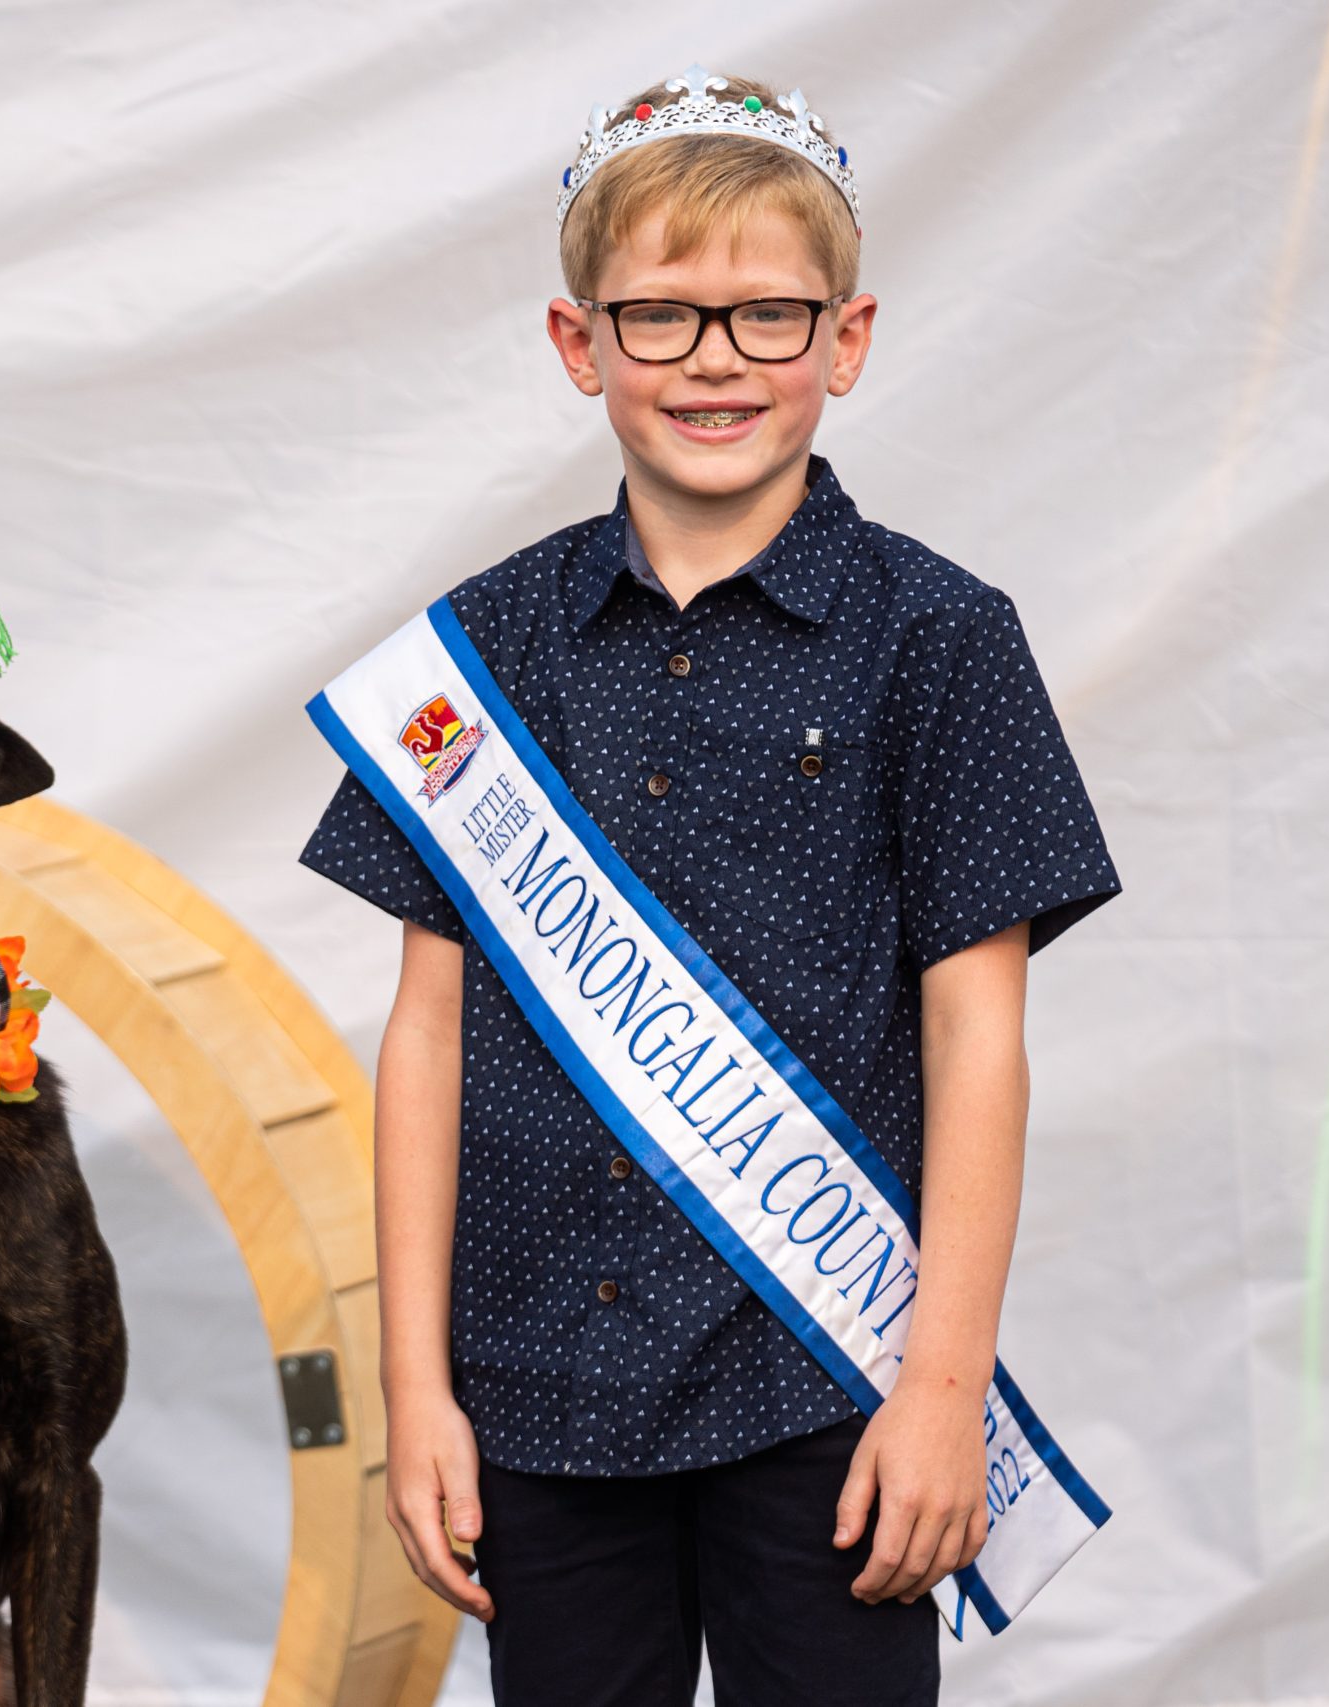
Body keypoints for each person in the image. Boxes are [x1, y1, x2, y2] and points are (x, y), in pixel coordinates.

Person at [297, 66, 1123, 1706]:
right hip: (531, 1386)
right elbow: (427, 1038)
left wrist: (943, 1390)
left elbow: (980, 1044)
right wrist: (417, 1392)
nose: (716, 362)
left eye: (766, 316)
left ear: (850, 338)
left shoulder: (942, 640)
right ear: (578, 344)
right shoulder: (478, 657)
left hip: (827, 1390)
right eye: (662, 318)